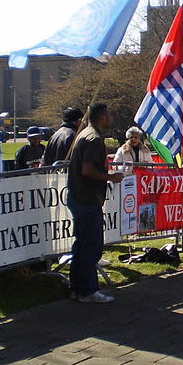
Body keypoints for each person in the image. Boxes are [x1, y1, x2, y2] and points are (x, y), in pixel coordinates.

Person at [67, 102, 123, 303]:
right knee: (91, 246)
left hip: (80, 198)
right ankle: (88, 291)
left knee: (81, 246)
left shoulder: (83, 134)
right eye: (109, 115)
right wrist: (111, 177)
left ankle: (77, 289)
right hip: (86, 199)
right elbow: (87, 170)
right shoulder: (93, 139)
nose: (111, 118)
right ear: (102, 118)